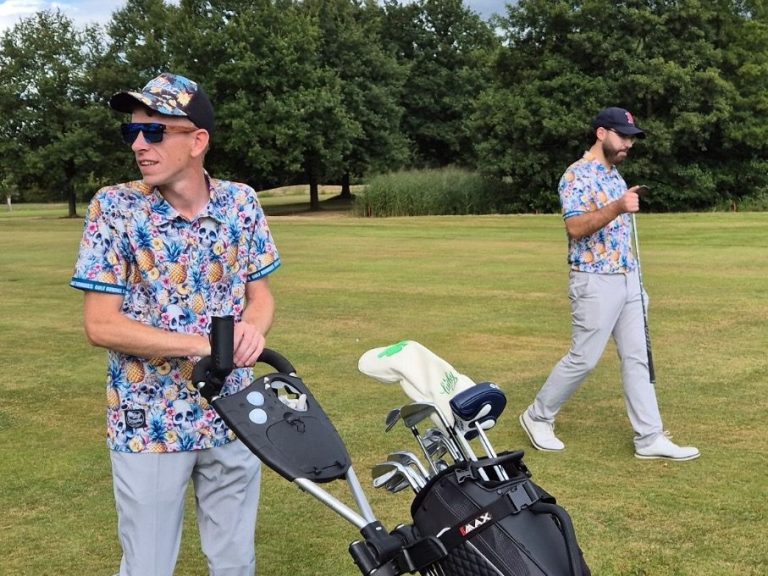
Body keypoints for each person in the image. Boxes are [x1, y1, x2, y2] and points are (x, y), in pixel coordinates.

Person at [70, 72, 281, 576]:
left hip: (232, 412)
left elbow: (260, 295)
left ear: (197, 140)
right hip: (149, 421)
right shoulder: (114, 208)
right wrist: (202, 344)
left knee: (235, 562)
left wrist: (252, 329)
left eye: (154, 131)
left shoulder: (241, 202)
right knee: (147, 567)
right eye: (132, 131)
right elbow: (101, 325)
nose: (139, 145)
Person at [519, 107, 699, 462]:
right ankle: (537, 416)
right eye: (623, 136)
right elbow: (575, 227)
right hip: (594, 279)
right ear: (601, 133)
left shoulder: (615, 176)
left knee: (638, 358)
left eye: (632, 138)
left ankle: (649, 437)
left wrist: (636, 282)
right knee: (584, 358)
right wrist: (617, 207)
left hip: (627, 278)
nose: (628, 144)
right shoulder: (576, 175)